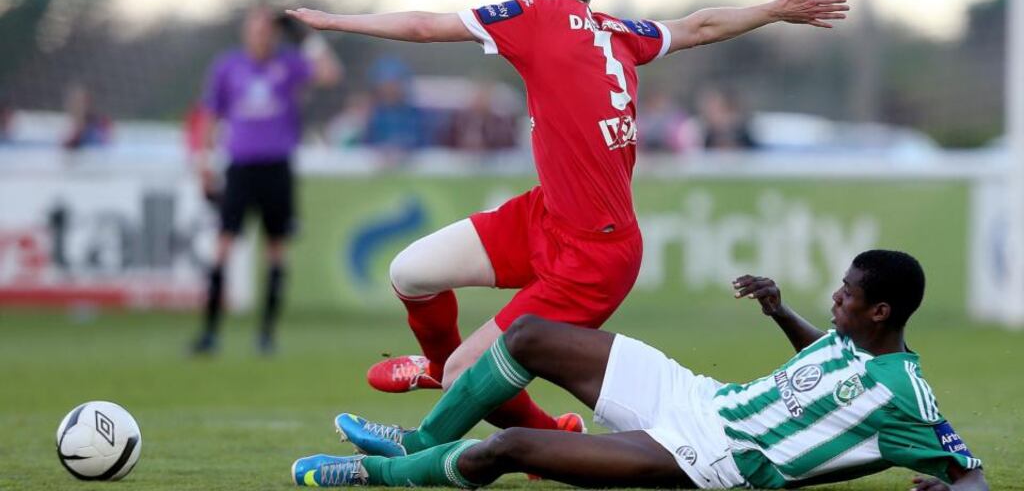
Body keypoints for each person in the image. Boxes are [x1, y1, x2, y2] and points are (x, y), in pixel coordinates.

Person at [287, 0, 848, 432]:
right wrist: (772, 10)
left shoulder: (534, 15)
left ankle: (540, 431)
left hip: (592, 260)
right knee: (410, 273)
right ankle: (440, 366)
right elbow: (699, 26)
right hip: (547, 216)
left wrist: (334, 21)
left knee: (468, 378)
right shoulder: (618, 30)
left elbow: (424, 26)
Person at [292, 250, 988, 490]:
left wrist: (945, 479)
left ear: (881, 312)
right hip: (698, 396)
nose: (835, 298)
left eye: (847, 294)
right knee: (529, 334)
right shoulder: (849, 340)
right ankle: (421, 443)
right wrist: (780, 312)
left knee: (507, 447)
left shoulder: (904, 392)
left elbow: (970, 472)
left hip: (710, 455)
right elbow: (820, 362)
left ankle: (377, 475)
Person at [191, 7, 343, 355]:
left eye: (267, 31)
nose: (261, 37)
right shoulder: (228, 66)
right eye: (256, 30)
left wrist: (307, 38)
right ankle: (210, 333)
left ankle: (266, 334)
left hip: (277, 166)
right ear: (246, 33)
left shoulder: (288, 63)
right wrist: (204, 162)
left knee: (276, 249)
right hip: (240, 167)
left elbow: (331, 74)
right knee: (224, 244)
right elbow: (210, 115)